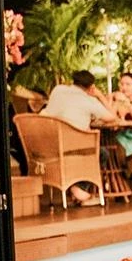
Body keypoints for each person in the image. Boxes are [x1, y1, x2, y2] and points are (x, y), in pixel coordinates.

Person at [40, 69, 116, 204]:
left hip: (50, 144)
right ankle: (80, 190)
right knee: (101, 153)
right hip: (73, 147)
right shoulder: (88, 100)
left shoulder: (58, 90)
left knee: (89, 149)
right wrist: (100, 96)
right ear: (91, 87)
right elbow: (111, 117)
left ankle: (75, 188)